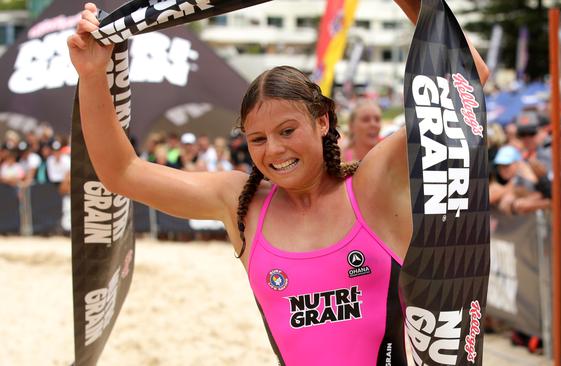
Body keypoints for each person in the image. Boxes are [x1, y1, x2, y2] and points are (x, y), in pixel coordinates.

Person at [67, 2, 488, 364]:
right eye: (257, 138)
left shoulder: (373, 184)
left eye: (287, 131)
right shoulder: (241, 204)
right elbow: (120, 172)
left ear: (322, 121)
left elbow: (468, 78)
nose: (274, 150)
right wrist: (91, 75)